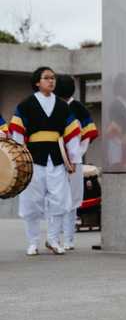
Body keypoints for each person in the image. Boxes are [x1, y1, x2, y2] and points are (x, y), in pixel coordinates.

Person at [9, 66, 81, 256]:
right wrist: (18, 160)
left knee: (59, 198)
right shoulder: (25, 105)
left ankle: (53, 239)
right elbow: (17, 133)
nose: (51, 81)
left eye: (53, 78)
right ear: (37, 82)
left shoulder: (63, 106)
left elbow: (72, 134)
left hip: (56, 158)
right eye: (47, 78)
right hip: (32, 158)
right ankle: (33, 242)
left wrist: (73, 158)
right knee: (32, 200)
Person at [54, 74, 98, 250]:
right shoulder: (53, 106)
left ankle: (69, 240)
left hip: (74, 161)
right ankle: (55, 238)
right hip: (55, 159)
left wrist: (75, 155)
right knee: (57, 199)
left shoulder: (78, 108)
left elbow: (88, 135)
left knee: (72, 202)